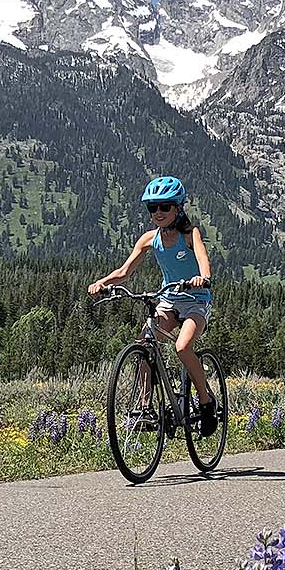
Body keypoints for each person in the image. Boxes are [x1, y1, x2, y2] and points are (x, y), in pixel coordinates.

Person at [88, 175, 218, 436]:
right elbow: (125, 271)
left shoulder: (189, 234)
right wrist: (102, 282)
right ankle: (145, 407)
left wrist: (201, 278)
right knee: (146, 343)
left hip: (195, 299)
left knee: (182, 347)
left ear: (178, 208)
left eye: (165, 207)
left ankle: (206, 402)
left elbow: (203, 260)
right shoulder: (149, 239)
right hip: (169, 299)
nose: (158, 213)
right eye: (152, 208)